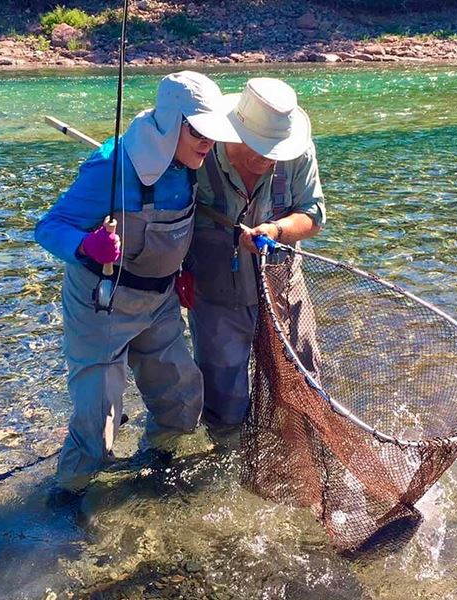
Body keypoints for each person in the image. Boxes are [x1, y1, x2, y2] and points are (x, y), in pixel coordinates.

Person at [34, 71, 241, 495]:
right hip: (102, 302)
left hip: (160, 299)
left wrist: (180, 268)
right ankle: (65, 500)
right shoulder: (110, 166)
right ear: (170, 124)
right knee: (98, 421)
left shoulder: (195, 163)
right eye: (200, 131)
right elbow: (49, 227)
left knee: (182, 398)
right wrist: (85, 246)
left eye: (214, 132)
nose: (209, 142)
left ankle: (156, 468)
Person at [186, 78, 326, 429]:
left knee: (304, 389)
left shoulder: (299, 153)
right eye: (258, 147)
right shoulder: (197, 153)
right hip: (215, 297)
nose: (267, 158)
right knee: (225, 411)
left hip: (284, 289)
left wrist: (276, 230)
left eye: (275, 149)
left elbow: (313, 216)